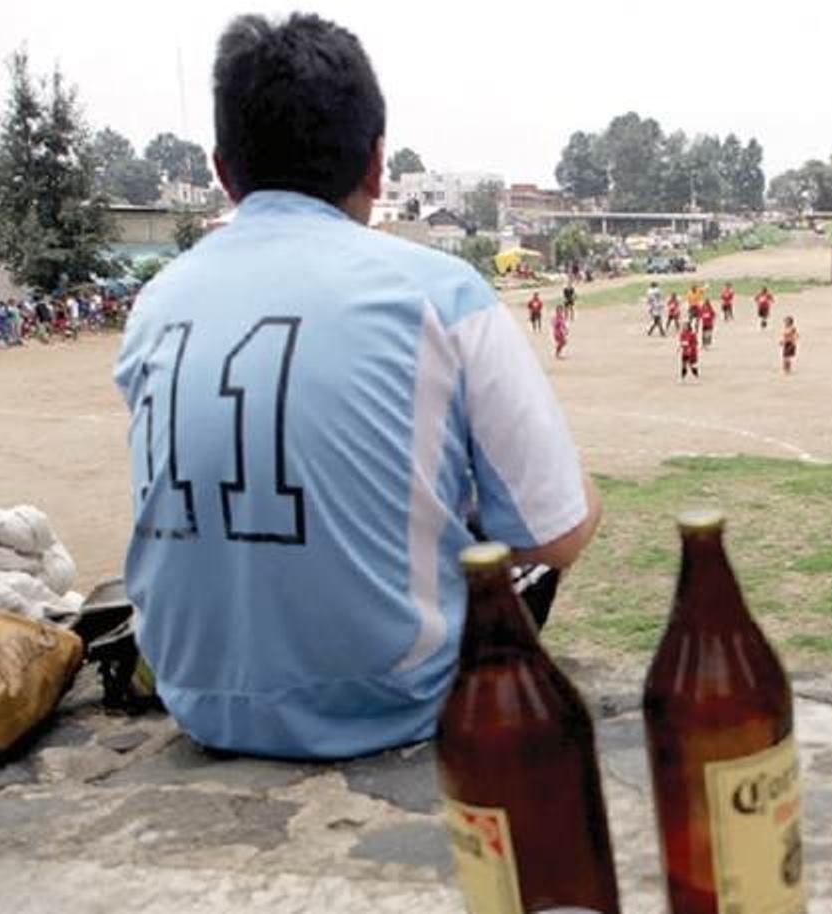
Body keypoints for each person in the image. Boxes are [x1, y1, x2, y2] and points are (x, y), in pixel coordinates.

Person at [112, 12, 599, 761]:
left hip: (198, 698)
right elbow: (555, 535)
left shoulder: (156, 302)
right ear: (376, 166)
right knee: (550, 508)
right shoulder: (440, 291)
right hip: (397, 700)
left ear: (221, 169)